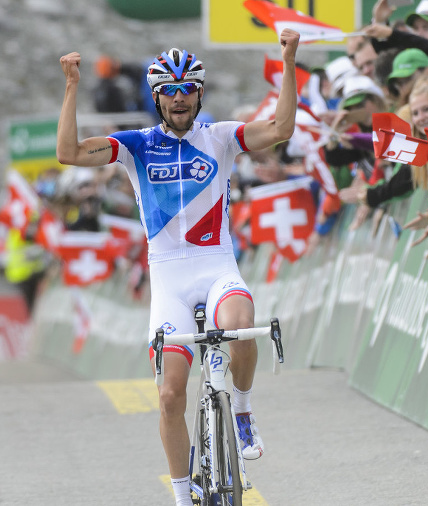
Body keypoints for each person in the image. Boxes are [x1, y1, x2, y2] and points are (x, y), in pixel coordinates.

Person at [56, 29, 301, 506]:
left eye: (187, 88)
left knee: (241, 325)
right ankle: (182, 495)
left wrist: (288, 63)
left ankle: (244, 412)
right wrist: (71, 87)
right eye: (169, 90)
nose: (179, 98)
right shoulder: (136, 146)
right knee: (170, 396)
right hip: (168, 277)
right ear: (156, 98)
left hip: (216, 268)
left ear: (199, 94)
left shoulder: (221, 138)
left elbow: (280, 129)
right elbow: (68, 153)